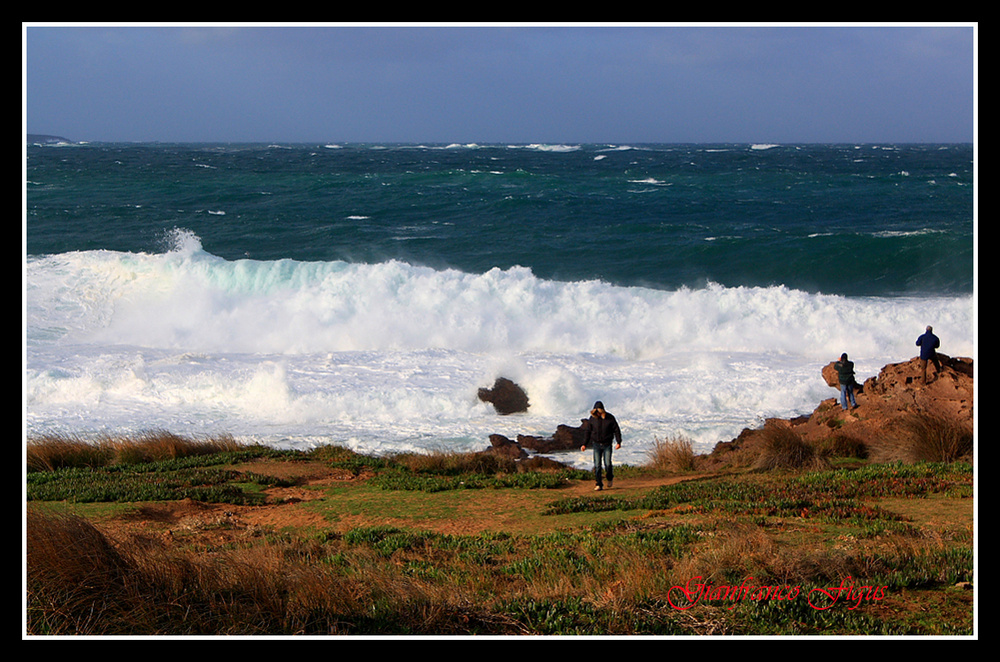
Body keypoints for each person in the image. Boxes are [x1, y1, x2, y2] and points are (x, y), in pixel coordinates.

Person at [579, 401, 622, 491]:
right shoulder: (592, 419)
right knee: (597, 465)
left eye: (599, 411)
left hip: (607, 444)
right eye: (596, 412)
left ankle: (609, 478)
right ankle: (599, 484)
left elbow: (616, 430)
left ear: (602, 410)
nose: (598, 413)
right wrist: (584, 444)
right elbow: (588, 432)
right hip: (596, 445)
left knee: (608, 464)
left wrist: (618, 442)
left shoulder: (610, 418)